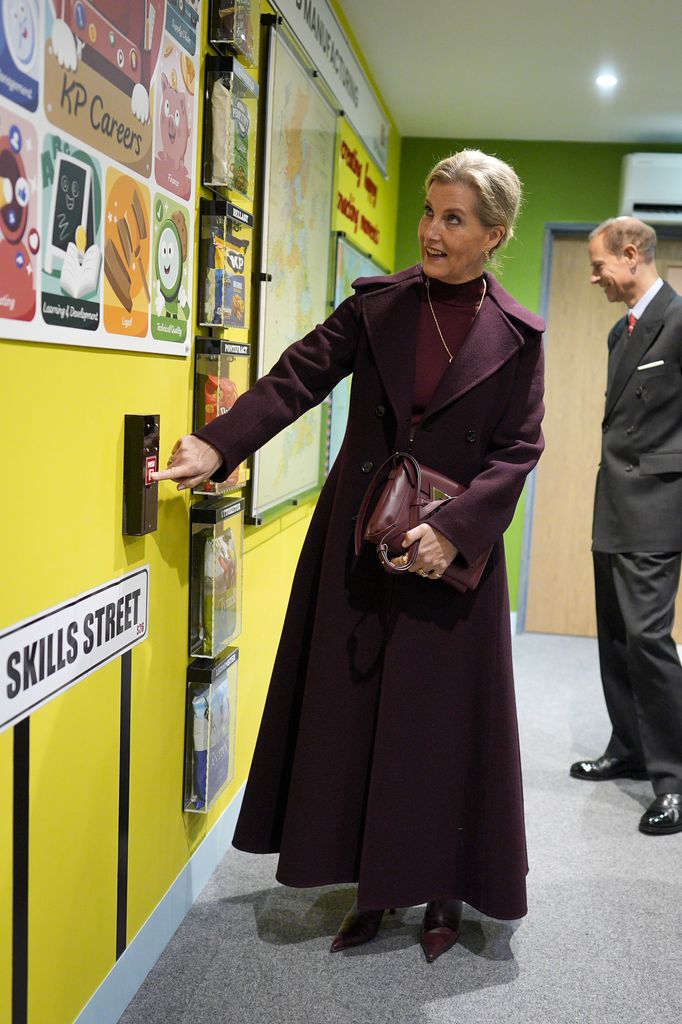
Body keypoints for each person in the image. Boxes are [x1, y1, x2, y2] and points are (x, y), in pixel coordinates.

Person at [153, 149, 545, 960]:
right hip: (360, 539)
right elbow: (296, 377)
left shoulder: (518, 335)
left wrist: (455, 533)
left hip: (453, 555)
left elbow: (517, 450)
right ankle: (371, 889)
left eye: (453, 219)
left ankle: (440, 892)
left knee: (440, 728)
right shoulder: (379, 307)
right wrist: (218, 445)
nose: (430, 232)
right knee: (356, 715)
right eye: (429, 212)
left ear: (493, 234)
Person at [570, 217, 682, 835]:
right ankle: (630, 748)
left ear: (632, 255)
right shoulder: (623, 331)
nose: (594, 278)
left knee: (648, 640)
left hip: (658, 507)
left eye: (599, 265)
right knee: (614, 635)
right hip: (612, 502)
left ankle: (674, 778)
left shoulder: (681, 320)